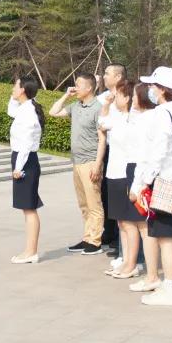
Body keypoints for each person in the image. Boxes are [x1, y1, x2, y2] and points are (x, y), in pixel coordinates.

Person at [133, 66, 172, 306]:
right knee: (169, 238)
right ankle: (168, 286)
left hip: (164, 180)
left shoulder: (162, 113)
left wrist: (143, 182)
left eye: (153, 86)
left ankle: (170, 289)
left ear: (163, 90)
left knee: (165, 238)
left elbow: (157, 151)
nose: (150, 90)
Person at [50, 74, 105, 255]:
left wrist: (97, 165)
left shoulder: (98, 108)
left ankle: (95, 241)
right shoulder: (76, 106)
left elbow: (102, 139)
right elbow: (53, 112)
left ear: (89, 88)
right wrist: (66, 95)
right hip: (77, 161)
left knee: (94, 203)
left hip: (90, 162)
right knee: (84, 203)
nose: (75, 88)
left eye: (78, 85)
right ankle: (87, 237)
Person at [97, 79, 144, 279]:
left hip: (127, 175)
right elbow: (102, 123)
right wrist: (107, 104)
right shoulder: (118, 116)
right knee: (121, 222)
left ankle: (133, 263)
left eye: (117, 95)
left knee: (130, 223)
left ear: (127, 98)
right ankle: (125, 260)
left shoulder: (135, 119)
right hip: (113, 174)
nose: (113, 97)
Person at [8, 75, 45, 264]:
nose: (12, 89)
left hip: (25, 161)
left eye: (15, 86)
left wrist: (18, 167)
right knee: (27, 208)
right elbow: (10, 110)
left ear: (23, 90)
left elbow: (26, 143)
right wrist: (14, 96)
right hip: (23, 159)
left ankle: (31, 252)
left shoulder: (28, 113)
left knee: (29, 208)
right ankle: (30, 250)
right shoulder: (25, 108)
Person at [97, 63, 128, 251]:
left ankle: (121, 239)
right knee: (107, 194)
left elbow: (105, 123)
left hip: (125, 152)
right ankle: (110, 232)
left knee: (122, 195)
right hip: (109, 149)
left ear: (118, 77)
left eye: (107, 73)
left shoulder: (127, 97)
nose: (104, 76)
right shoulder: (103, 97)